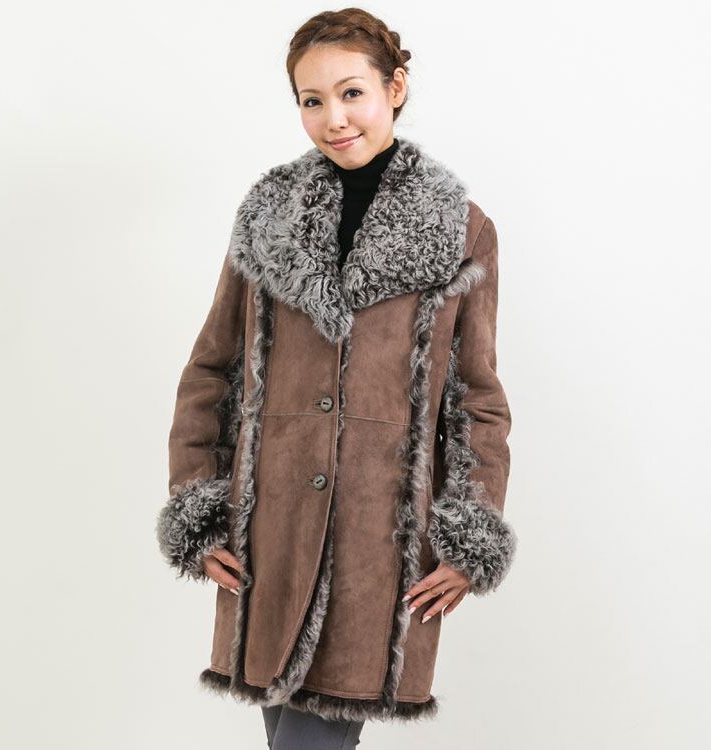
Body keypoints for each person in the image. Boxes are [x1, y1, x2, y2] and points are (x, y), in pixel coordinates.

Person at [156, 7, 517, 749]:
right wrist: (198, 505)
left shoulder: (460, 229)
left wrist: (469, 534)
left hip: (378, 547)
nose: (334, 118)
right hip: (270, 536)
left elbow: (475, 400)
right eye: (311, 100)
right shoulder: (268, 218)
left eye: (352, 93)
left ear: (395, 88)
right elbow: (211, 371)